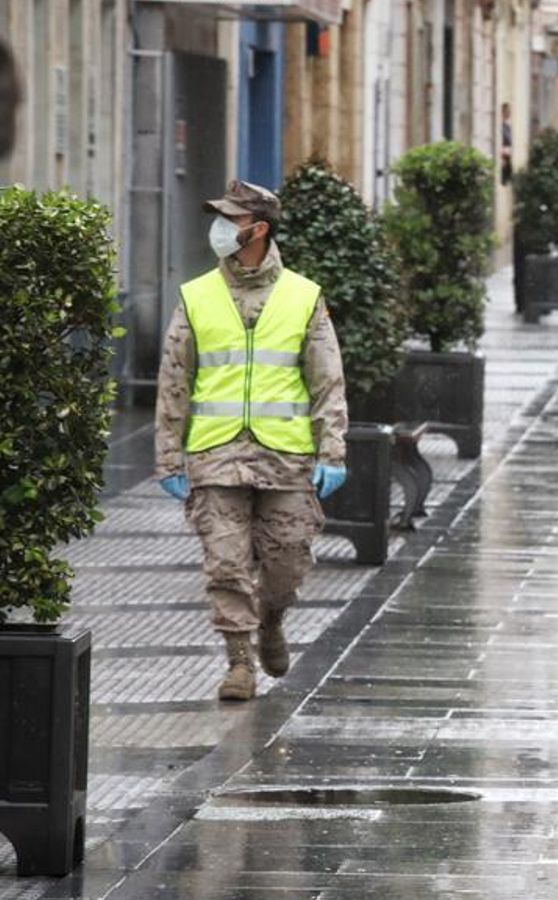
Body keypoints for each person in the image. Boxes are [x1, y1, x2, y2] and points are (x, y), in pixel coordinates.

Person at [154, 181, 348, 702]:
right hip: (215, 454)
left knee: (287, 562)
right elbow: (174, 380)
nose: (220, 227)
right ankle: (239, 663)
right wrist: (169, 456)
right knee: (225, 562)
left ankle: (272, 620)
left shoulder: (303, 296)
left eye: (230, 219)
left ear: (257, 230)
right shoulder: (196, 296)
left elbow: (327, 378)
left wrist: (333, 449)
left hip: (284, 455)